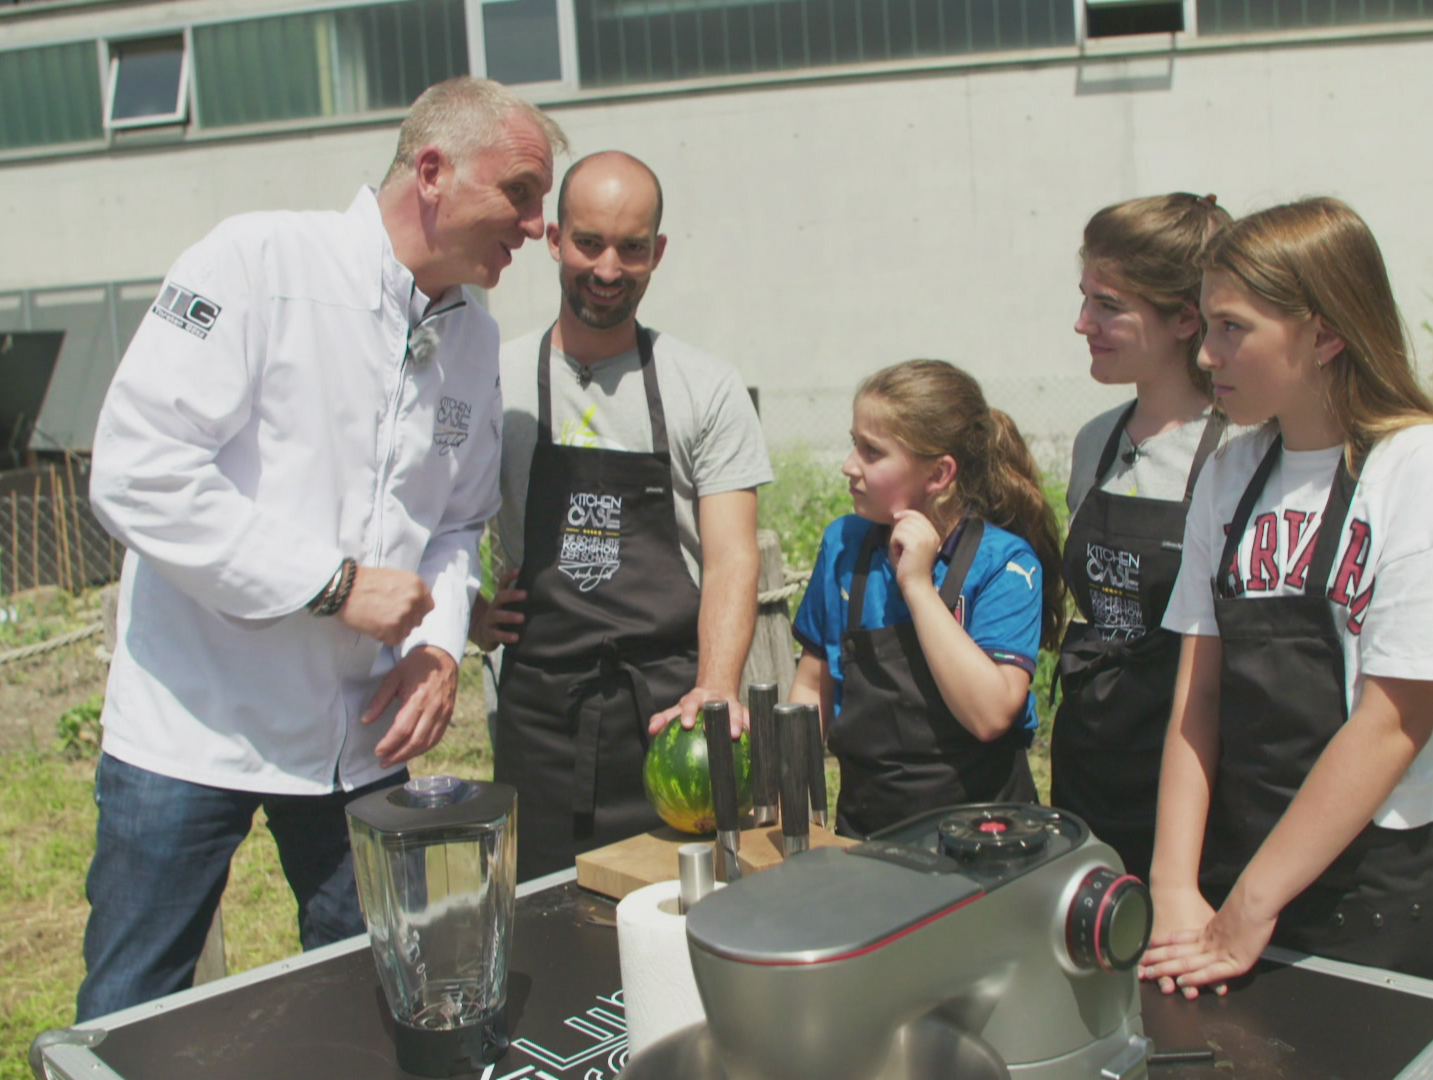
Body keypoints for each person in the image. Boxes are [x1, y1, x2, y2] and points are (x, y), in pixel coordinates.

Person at [78, 78, 565, 1021]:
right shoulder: (255, 263)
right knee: (132, 1009)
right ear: (432, 170)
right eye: (521, 193)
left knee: (382, 991)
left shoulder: (471, 334)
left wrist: (436, 646)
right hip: (193, 726)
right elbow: (137, 472)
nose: (538, 225)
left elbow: (458, 523)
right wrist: (333, 586)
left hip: (359, 734)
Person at [1140, 198, 1433, 996]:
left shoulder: (1425, 470)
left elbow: (1394, 721)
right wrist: (1174, 886)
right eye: (1204, 325)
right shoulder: (1229, 478)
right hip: (1235, 883)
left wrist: (1250, 908)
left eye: (1233, 328)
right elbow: (1196, 702)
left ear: (1326, 333)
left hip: (1373, 900)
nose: (1205, 355)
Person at [471, 151, 772, 879]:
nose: (608, 268)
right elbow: (423, 515)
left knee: (677, 924)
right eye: (588, 243)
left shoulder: (704, 386)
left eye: (631, 248)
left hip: (669, 712)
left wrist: (716, 687)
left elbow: (733, 555)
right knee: (544, 924)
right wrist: (465, 615)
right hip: (540, 713)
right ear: (552, 239)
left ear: (656, 253)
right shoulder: (493, 380)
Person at [789, 360, 1066, 837]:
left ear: (938, 473)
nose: (848, 465)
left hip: (985, 845)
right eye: (854, 442)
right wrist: (785, 795)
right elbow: (812, 687)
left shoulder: (1003, 564)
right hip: (866, 838)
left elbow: (991, 714)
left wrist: (917, 586)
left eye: (871, 452)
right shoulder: (843, 546)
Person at [1051, 194, 1234, 882]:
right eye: (1084, 298)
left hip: (1192, 785)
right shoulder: (1095, 443)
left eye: (1108, 305)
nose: (1081, 323)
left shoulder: (1235, 453)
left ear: (1186, 318)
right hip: (1089, 769)